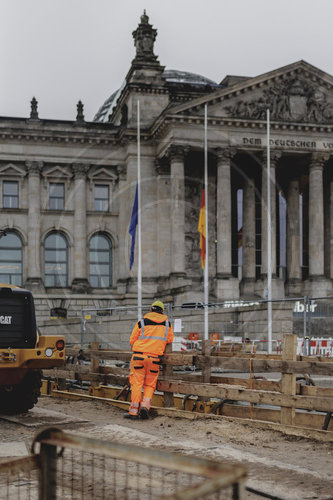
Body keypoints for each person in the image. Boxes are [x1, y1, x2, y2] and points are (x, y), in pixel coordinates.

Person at [124, 300, 174, 420]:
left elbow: (132, 340)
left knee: (137, 383)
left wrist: (138, 349)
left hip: (138, 357)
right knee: (150, 385)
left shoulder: (141, 322)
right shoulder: (167, 324)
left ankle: (133, 412)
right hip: (155, 359)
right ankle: (145, 407)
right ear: (162, 311)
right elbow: (170, 340)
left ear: (151, 309)